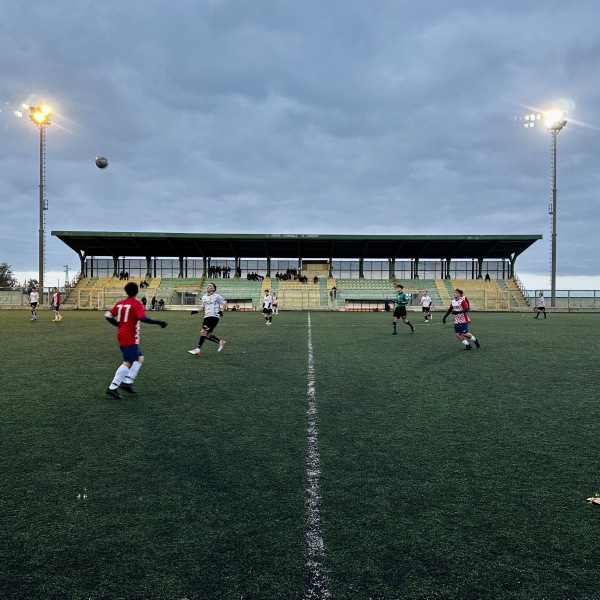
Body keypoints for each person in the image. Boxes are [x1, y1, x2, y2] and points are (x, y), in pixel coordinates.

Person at [104, 281, 167, 398]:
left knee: (140, 358)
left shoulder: (120, 303)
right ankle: (112, 387)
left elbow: (108, 315)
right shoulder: (136, 304)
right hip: (130, 337)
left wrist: (118, 324)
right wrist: (158, 322)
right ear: (137, 291)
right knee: (128, 362)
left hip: (122, 334)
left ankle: (127, 382)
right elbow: (142, 318)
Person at [188, 282, 227, 355]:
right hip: (206, 317)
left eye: (210, 286)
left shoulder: (217, 296)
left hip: (213, 317)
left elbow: (224, 303)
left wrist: (221, 311)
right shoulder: (204, 297)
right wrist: (196, 311)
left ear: (213, 289)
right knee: (207, 335)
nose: (208, 286)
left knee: (203, 332)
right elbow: (203, 307)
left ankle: (198, 349)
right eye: (208, 285)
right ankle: (220, 342)